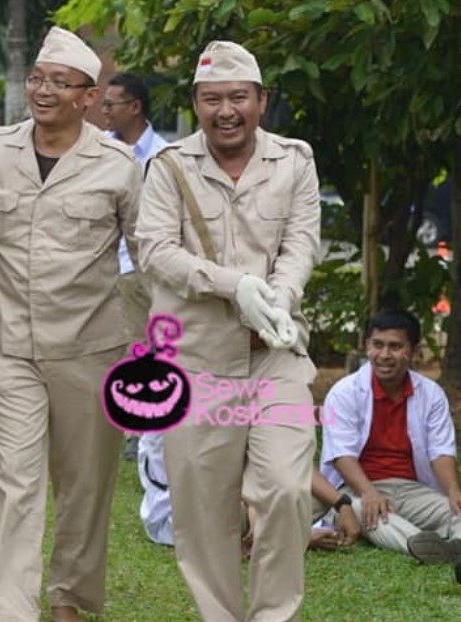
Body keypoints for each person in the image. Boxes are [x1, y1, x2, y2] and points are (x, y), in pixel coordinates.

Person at [137, 40, 320, 621]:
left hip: (276, 357)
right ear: (196, 103)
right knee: (203, 514)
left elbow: (301, 242)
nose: (226, 110)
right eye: (212, 99)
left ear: (261, 101)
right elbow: (156, 250)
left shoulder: (294, 160)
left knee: (287, 490)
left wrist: (280, 298)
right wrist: (233, 286)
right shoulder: (169, 167)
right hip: (195, 364)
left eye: (238, 97)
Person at [0, 27, 140, 622]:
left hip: (90, 346)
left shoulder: (120, 166)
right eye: (37, 79)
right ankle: (11, 612)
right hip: (7, 342)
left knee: (84, 486)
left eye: (59, 83)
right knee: (16, 481)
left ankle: (68, 597)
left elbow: (145, 254)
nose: (42, 91)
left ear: (88, 97)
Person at [321, 309, 461, 578]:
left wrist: (453, 491)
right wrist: (369, 491)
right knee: (371, 514)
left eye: (395, 347)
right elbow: (341, 454)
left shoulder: (431, 394)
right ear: (366, 346)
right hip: (357, 489)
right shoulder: (344, 392)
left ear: (414, 351)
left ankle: (451, 544)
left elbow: (440, 449)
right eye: (378, 345)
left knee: (454, 510)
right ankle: (427, 545)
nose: (384, 355)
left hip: (411, 489)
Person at [138, 433, 360, 551]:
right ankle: (291, 536)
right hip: (185, 517)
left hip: (239, 500)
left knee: (308, 494)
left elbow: (286, 457)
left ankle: (283, 530)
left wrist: (342, 503)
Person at [102, 72, 169, 461]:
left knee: (153, 346)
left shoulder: (162, 155)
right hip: (109, 264)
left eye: (111, 104)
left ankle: (145, 426)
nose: (104, 111)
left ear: (135, 107)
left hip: (150, 265)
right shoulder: (98, 151)